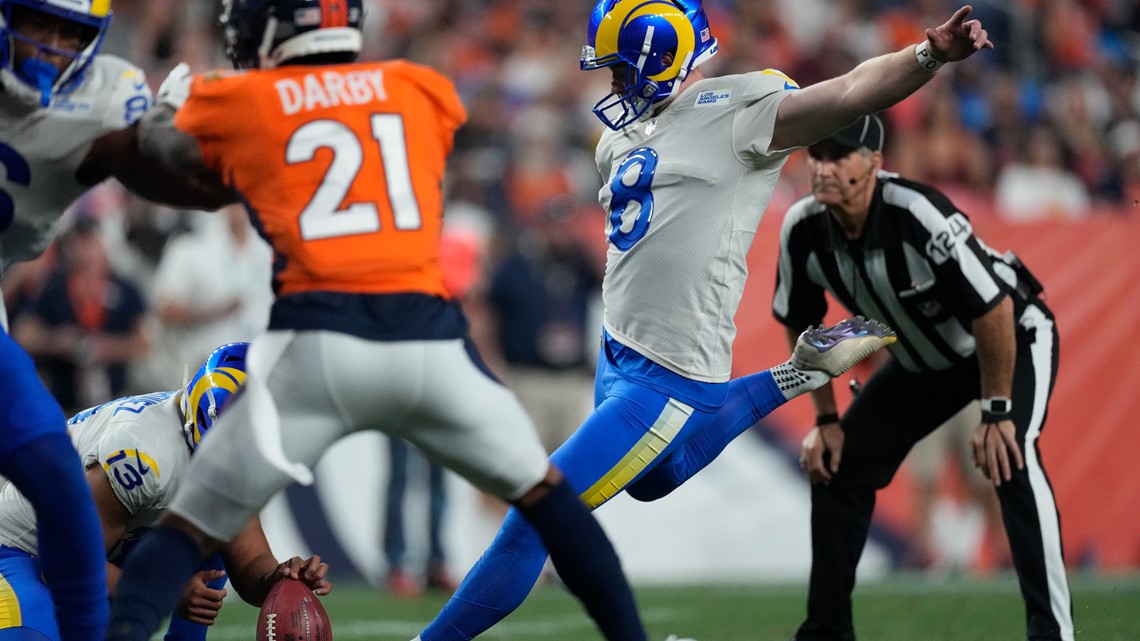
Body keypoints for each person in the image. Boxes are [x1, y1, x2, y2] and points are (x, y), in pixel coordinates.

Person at [408, 1, 994, 640]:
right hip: (617, 349)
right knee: (650, 481)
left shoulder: (740, 114)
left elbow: (852, 91)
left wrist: (928, 54)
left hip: (668, 374)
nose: (610, 85)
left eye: (621, 70)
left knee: (539, 516)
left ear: (661, 60)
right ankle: (795, 376)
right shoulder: (615, 139)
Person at [103, 2, 649, 641]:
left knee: (185, 534)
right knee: (549, 502)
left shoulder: (246, 97)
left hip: (316, 344)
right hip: (432, 345)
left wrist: (172, 108)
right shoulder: (421, 87)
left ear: (276, 32)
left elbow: (164, 164)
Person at [772, 114, 1072, 640]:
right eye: (817, 155)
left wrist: (997, 411)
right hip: (920, 363)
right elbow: (804, 323)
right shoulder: (802, 228)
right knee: (837, 469)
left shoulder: (915, 212)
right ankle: (826, 632)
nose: (823, 167)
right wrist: (826, 420)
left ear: (875, 164)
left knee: (1011, 458)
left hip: (1008, 340)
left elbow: (995, 309)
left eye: (840, 155)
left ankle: (1052, 634)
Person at [0, 2, 232, 639]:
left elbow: (181, 187)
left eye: (69, 31)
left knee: (52, 472)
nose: (50, 45)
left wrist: (202, 151)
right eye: (37, 22)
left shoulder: (107, 97)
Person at [0, 342, 331, 640]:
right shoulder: (144, 457)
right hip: (20, 545)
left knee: (210, 530)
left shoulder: (219, 450)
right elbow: (67, 559)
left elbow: (249, 561)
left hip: (101, 547)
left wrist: (280, 579)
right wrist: (163, 591)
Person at [13, 213, 152, 415]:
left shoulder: (125, 288)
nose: (83, 249)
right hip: (64, 400)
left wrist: (109, 348)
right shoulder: (54, 285)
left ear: (104, 243)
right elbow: (23, 333)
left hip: (116, 402)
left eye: (89, 240)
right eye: (76, 242)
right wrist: (55, 340)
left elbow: (146, 341)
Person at [382, 437, 457, 599]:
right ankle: (398, 565)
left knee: (437, 483)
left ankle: (436, 565)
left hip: (438, 413)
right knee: (399, 478)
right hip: (397, 412)